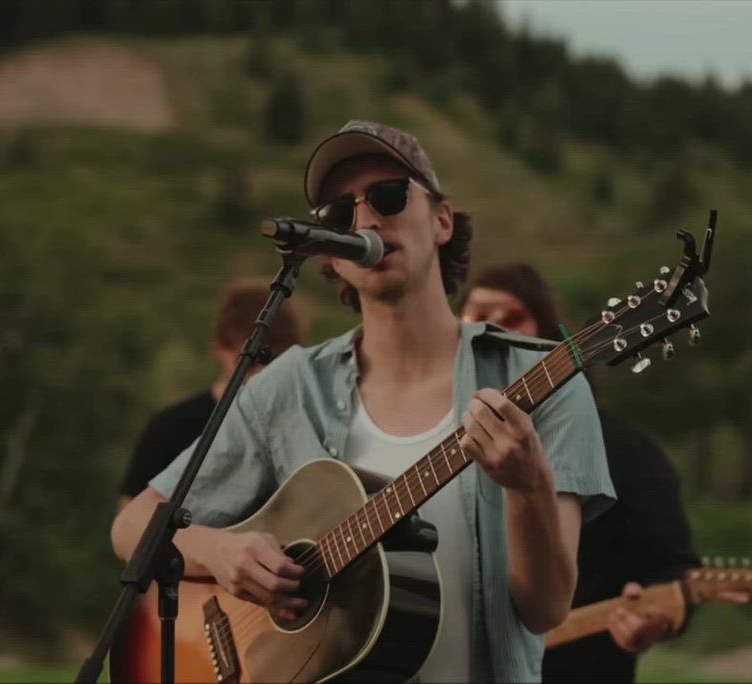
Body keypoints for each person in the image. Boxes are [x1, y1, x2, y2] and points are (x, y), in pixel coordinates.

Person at [111, 120, 614, 682]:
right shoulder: (290, 386)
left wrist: (528, 486)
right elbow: (132, 525)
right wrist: (220, 553)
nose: (367, 219)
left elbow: (546, 610)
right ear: (329, 254)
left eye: (390, 196)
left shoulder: (542, 381)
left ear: (442, 221)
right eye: (338, 214)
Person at [461, 263, 700, 683]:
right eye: (478, 315)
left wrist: (655, 618)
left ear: (546, 334)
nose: (494, 327)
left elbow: (671, 569)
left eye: (512, 316)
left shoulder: (626, 450)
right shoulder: (431, 432)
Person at [117, 278, 304, 508]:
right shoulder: (168, 427)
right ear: (220, 347)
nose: (261, 371)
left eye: (274, 359)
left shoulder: (301, 426)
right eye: (252, 359)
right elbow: (131, 516)